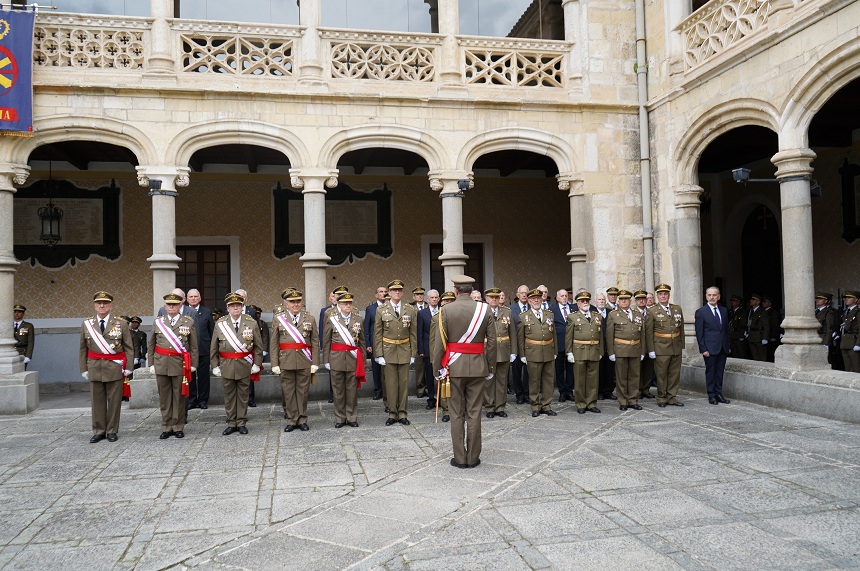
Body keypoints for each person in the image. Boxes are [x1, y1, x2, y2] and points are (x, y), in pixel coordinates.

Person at [431, 275, 496, 469]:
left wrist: (437, 368)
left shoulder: (445, 310)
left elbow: (439, 344)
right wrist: (490, 366)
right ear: (471, 290)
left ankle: (460, 458)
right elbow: (492, 343)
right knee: (475, 413)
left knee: (456, 413)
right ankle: (473, 458)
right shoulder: (485, 309)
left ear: (457, 292)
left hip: (453, 368)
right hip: (478, 367)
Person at [79, 291, 133, 443]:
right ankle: (98, 431)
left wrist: (129, 367)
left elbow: (129, 347)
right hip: (95, 367)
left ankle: (112, 430)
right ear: (94, 306)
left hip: (114, 367)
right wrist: (83, 368)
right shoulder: (87, 323)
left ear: (110, 306)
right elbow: (82, 348)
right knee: (97, 401)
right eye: (99, 303)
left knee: (114, 401)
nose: (102, 306)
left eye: (105, 303)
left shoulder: (120, 323)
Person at [211, 292, 263, 435]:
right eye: (232, 306)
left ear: (242, 307)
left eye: (238, 305)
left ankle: (241, 422)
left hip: (244, 364)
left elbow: (258, 345)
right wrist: (215, 365)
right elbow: (214, 346)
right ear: (227, 308)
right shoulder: (220, 324)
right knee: (229, 395)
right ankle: (231, 422)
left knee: (243, 395)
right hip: (226, 364)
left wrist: (257, 363)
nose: (235, 308)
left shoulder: (251, 322)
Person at [149, 292, 199, 439]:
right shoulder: (158, 322)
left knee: (179, 396)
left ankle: (178, 426)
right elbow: (151, 344)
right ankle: (166, 425)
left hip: (180, 364)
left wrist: (193, 364)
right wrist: (151, 363)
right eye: (169, 304)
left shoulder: (188, 321)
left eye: (175, 304)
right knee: (164, 396)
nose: (171, 307)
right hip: (161, 363)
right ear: (165, 306)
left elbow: (193, 346)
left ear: (180, 305)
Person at [271, 289, 319, 432]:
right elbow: (274, 343)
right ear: (286, 304)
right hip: (286, 361)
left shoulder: (309, 318)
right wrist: (274, 363)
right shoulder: (278, 318)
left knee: (303, 391)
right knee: (288, 391)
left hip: (304, 360)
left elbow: (315, 342)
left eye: (298, 301)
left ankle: (302, 419)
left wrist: (315, 362)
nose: (296, 304)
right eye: (292, 302)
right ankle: (292, 420)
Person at [374, 279, 417, 425]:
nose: (397, 292)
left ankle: (403, 413)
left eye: (399, 290)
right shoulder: (381, 310)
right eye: (394, 290)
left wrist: (413, 353)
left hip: (405, 349)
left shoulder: (410, 309)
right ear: (389, 293)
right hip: (388, 350)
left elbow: (413, 333)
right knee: (391, 385)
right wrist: (379, 354)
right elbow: (377, 333)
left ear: (402, 292)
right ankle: (392, 413)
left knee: (404, 385)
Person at [323, 292, 366, 428]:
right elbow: (326, 340)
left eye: (350, 303)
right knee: (338, 390)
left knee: (352, 390)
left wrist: (363, 360)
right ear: (339, 305)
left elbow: (362, 341)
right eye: (345, 304)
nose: (348, 306)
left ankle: (352, 417)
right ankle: (340, 418)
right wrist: (326, 360)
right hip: (336, 358)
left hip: (353, 358)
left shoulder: (358, 319)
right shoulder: (331, 318)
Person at [518, 287, 557, 417]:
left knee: (548, 380)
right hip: (532, 352)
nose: (536, 300)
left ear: (542, 299)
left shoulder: (549, 314)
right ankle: (535, 405)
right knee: (534, 381)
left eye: (538, 298)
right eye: (533, 298)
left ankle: (546, 405)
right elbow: (521, 338)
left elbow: (554, 334)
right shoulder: (523, 317)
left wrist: (555, 350)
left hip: (548, 351)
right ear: (529, 301)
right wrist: (522, 354)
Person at [645, 283, 686, 407]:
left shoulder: (677, 308)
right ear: (657, 296)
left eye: (665, 294)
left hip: (675, 346)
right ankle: (662, 397)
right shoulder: (651, 311)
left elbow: (681, 328)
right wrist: (651, 350)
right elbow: (649, 332)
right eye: (660, 294)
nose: (663, 296)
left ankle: (672, 396)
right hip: (661, 347)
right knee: (661, 373)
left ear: (669, 295)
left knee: (674, 373)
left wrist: (682, 345)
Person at [606, 290, 645, 411]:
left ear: (630, 301)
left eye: (626, 299)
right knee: (621, 377)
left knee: (634, 376)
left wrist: (643, 351)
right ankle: (622, 400)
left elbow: (642, 334)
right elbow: (609, 335)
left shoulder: (637, 314)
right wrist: (611, 352)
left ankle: (632, 399)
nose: (624, 301)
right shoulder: (613, 314)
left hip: (635, 349)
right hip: (620, 349)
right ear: (618, 301)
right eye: (621, 299)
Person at [566, 291, 603, 413]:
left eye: (587, 301)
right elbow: (569, 336)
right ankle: (581, 404)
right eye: (582, 301)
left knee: (593, 379)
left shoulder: (597, 316)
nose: (585, 303)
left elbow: (600, 336)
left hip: (594, 351)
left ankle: (591, 403)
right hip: (579, 351)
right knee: (580, 379)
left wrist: (601, 351)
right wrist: (569, 352)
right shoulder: (572, 317)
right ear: (578, 303)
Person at [695, 286, 731, 405]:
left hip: (723, 348)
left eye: (714, 295)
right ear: (706, 297)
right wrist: (703, 349)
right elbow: (699, 333)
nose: (712, 297)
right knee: (711, 372)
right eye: (709, 295)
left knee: (720, 372)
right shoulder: (701, 312)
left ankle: (719, 394)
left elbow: (725, 330)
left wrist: (728, 346)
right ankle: (711, 395)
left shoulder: (724, 311)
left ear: (719, 297)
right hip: (709, 349)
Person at [484, 287, 515, 418]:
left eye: (497, 297)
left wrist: (513, 352)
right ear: (487, 299)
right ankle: (490, 407)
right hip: (488, 351)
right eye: (492, 297)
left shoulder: (507, 312)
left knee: (502, 380)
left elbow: (512, 333)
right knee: (489, 381)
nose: (495, 300)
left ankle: (500, 407)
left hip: (503, 351)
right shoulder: (483, 312)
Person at [186, 288, 214, 410]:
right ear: (186, 299)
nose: (193, 299)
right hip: (188, 350)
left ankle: (203, 400)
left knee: (203, 376)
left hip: (203, 349)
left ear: (200, 298)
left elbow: (211, 331)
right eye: (191, 297)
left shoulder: (207, 311)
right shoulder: (184, 312)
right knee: (190, 376)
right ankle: (191, 400)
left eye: (195, 296)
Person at [430, 291, 456, 421]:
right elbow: (433, 341)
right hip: (443, 354)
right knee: (445, 383)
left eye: (452, 301)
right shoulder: (436, 318)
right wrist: (434, 359)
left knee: (457, 384)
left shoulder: (460, 317)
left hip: (457, 354)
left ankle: (457, 410)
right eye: (447, 301)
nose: (449, 303)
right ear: (442, 303)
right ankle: (446, 411)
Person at [417, 289, 441, 411]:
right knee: (430, 375)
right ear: (428, 299)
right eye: (432, 298)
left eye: (436, 297)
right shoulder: (422, 313)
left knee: (441, 374)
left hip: (442, 349)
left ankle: (442, 399)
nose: (434, 299)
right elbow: (419, 333)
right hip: (427, 349)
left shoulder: (443, 311)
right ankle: (431, 399)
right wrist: (421, 350)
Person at [550, 289, 574, 402]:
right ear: (557, 298)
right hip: (559, 344)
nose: (564, 298)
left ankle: (569, 391)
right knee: (559, 369)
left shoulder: (574, 308)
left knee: (571, 369)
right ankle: (562, 392)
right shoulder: (552, 310)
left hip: (572, 344)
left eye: (566, 296)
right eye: (562, 296)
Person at [364, 285, 387, 401]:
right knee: (376, 368)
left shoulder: (390, 308)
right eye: (381, 292)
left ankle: (388, 391)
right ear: (376, 295)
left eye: (385, 292)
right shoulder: (371, 309)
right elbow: (366, 328)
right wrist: (368, 344)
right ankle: (378, 391)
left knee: (388, 368)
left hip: (389, 343)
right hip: (375, 343)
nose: (383, 293)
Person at [509, 284, 531, 404]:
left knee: (528, 371)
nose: (524, 295)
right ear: (517, 295)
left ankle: (527, 393)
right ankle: (519, 394)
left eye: (526, 293)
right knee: (516, 371)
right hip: (516, 345)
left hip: (529, 345)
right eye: (522, 293)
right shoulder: (511, 309)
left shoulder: (532, 307)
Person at [633, 290, 655, 399]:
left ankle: (645, 389)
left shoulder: (651, 313)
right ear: (635, 301)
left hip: (649, 345)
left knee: (648, 369)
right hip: (636, 346)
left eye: (643, 299)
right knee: (637, 370)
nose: (641, 301)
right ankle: (636, 390)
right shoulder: (632, 313)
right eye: (639, 299)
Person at [594, 292, 616, 400]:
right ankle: (599, 391)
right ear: (595, 302)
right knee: (599, 370)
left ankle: (609, 391)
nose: (601, 301)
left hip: (609, 346)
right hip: (597, 347)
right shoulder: (592, 313)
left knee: (610, 370)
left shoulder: (611, 312)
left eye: (603, 300)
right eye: (599, 300)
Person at [410, 287, 428, 398]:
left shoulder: (428, 306)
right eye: (417, 294)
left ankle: (430, 388)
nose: (420, 296)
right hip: (416, 340)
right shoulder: (410, 308)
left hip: (427, 339)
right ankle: (421, 389)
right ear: (414, 297)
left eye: (421, 294)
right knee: (420, 366)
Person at [815, 291, 839, 368]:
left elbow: (829, 328)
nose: (817, 300)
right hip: (816, 337)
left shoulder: (829, 312)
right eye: (817, 299)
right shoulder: (816, 311)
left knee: (826, 361)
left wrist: (827, 342)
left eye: (820, 299)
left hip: (823, 337)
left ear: (826, 301)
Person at [839, 291, 860, 373]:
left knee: (856, 368)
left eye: (849, 298)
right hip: (845, 342)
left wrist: (858, 344)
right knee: (848, 368)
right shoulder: (846, 312)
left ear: (856, 300)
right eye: (846, 298)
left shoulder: (858, 312)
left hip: (854, 342)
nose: (846, 299)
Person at [746, 294, 769, 362]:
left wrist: (765, 338)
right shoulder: (750, 311)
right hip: (751, 336)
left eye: (753, 300)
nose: (751, 301)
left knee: (761, 357)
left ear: (758, 302)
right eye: (751, 299)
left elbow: (766, 325)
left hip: (759, 336)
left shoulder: (762, 311)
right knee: (755, 356)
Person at [13, 304, 34, 369]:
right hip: (11, 352)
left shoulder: (28, 326)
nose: (17, 313)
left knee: (21, 371)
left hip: (22, 352)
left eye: (19, 312)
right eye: (15, 312)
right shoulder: (9, 325)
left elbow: (30, 342)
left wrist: (28, 356)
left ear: (23, 314)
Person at [727, 295, 748, 360]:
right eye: (731, 301)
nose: (732, 302)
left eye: (734, 301)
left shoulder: (742, 312)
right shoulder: (731, 311)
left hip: (738, 334)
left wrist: (742, 334)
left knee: (741, 353)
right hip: (732, 334)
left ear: (738, 302)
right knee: (734, 352)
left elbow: (744, 324)